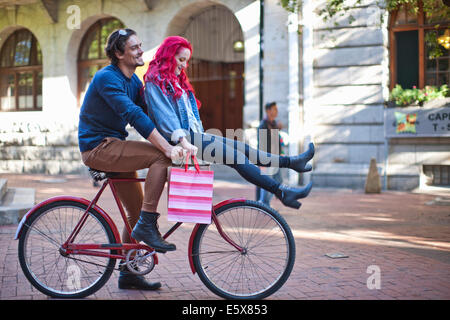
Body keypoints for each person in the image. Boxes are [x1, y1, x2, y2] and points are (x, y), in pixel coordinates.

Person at [143, 36, 315, 209]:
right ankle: (282, 191)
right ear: (168, 55)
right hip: (183, 140)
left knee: (244, 149)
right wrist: (184, 141)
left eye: (186, 61)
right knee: (238, 158)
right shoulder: (154, 81)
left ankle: (293, 162)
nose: (184, 65)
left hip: (195, 136)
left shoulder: (175, 80)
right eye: (181, 59)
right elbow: (166, 118)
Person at [78, 29, 185, 291]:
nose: (140, 51)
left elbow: (151, 113)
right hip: (99, 148)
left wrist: (181, 137)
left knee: (135, 214)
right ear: (118, 53)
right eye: (134, 47)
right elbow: (134, 114)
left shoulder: (134, 82)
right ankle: (149, 225)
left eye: (141, 45)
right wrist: (167, 149)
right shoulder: (106, 78)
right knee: (160, 157)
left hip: (116, 147)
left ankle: (128, 273)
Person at [257, 102, 284, 205]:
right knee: (268, 183)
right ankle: (264, 204)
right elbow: (262, 145)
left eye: (277, 109)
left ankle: (263, 203)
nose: (276, 111)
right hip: (267, 160)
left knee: (278, 181)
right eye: (274, 109)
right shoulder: (263, 125)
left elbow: (277, 140)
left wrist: (281, 152)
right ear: (268, 111)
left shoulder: (274, 124)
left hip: (275, 159)